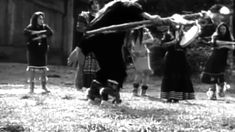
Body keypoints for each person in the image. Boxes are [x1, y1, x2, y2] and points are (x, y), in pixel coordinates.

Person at [80, 0, 180, 104]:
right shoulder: (124, 4)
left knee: (109, 69)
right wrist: (151, 17)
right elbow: (132, 8)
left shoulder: (111, 8)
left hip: (100, 39)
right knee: (118, 70)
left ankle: (94, 93)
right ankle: (107, 97)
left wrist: (157, 19)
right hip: (103, 38)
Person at [68, 0, 100, 90]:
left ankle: (95, 87)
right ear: (90, 5)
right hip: (86, 42)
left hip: (98, 44)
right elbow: (80, 29)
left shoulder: (101, 16)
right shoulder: (84, 16)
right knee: (84, 65)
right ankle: (83, 86)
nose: (95, 6)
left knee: (97, 66)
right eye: (93, 4)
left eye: (97, 4)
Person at [160, 24, 195, 103]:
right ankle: (169, 97)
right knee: (170, 76)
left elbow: (187, 45)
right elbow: (163, 45)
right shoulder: (168, 35)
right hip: (171, 58)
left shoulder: (184, 35)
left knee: (181, 76)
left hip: (181, 58)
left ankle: (178, 97)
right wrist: (173, 42)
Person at [201, 23, 234, 100]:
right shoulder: (215, 35)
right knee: (212, 76)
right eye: (221, 29)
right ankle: (212, 93)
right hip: (214, 58)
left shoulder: (228, 36)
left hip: (222, 59)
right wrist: (229, 43)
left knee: (220, 76)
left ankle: (220, 90)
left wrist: (224, 45)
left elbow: (233, 47)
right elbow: (216, 42)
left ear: (226, 29)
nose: (222, 30)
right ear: (218, 29)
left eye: (224, 29)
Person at [24, 11, 53, 94]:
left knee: (43, 69)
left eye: (42, 19)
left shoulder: (44, 27)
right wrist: (40, 34)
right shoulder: (30, 27)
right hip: (33, 50)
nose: (41, 20)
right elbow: (26, 33)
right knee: (32, 69)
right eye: (40, 19)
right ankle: (31, 88)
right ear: (35, 19)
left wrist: (43, 35)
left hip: (42, 50)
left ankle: (44, 87)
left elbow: (50, 32)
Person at [131, 27, 155, 96]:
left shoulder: (144, 32)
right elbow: (130, 44)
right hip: (137, 54)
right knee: (140, 72)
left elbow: (151, 40)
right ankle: (135, 91)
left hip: (144, 54)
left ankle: (143, 92)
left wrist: (144, 41)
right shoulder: (133, 33)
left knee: (146, 72)